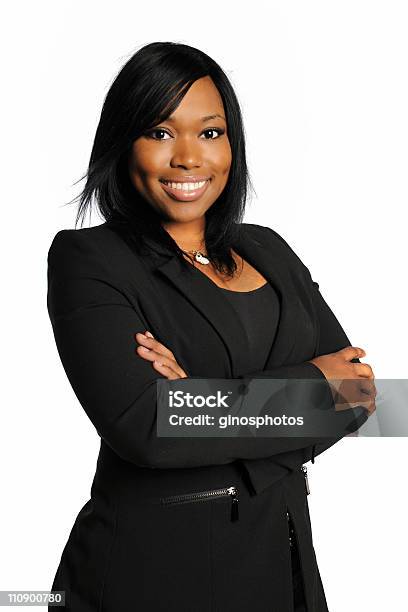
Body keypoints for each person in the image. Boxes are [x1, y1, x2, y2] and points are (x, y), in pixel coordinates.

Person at [47, 41, 375, 611]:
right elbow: (145, 424)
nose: (189, 159)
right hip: (154, 576)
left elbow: (361, 393)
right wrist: (307, 386)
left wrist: (201, 402)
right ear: (124, 143)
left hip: (284, 566)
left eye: (211, 133)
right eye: (160, 131)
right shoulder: (91, 259)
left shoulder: (267, 249)